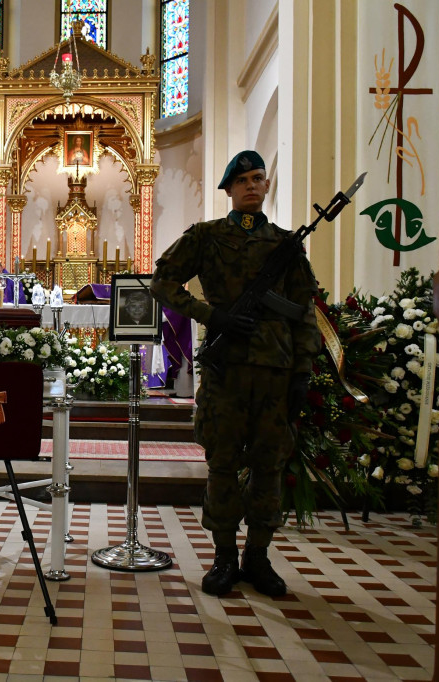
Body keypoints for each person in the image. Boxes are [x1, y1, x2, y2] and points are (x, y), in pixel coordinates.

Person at [150, 150, 321, 598]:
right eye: (241, 179)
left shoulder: (286, 245)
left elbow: (304, 310)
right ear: (227, 189)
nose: (250, 185)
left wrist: (303, 371)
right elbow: (162, 280)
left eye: (258, 178)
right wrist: (210, 315)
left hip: (275, 371)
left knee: (269, 467)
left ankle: (258, 557)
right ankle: (225, 557)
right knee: (222, 465)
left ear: (266, 186)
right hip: (226, 369)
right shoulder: (206, 237)